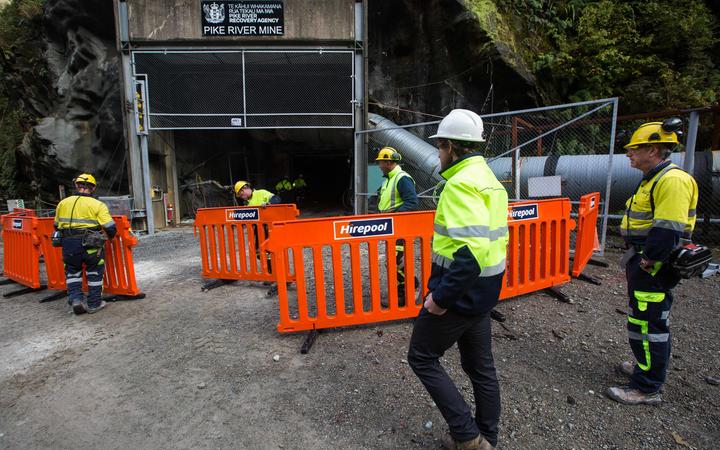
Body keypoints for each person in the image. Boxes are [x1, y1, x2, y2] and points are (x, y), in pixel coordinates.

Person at [407, 109, 507, 450]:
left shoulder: (461, 184)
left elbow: (471, 254)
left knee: (421, 356)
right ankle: (487, 438)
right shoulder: (489, 179)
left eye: (439, 147)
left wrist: (440, 299)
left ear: (450, 146)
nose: (437, 154)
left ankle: (468, 437)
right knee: (480, 368)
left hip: (459, 296)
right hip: (483, 295)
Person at [607, 119, 698, 405]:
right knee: (641, 319)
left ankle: (647, 387)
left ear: (654, 149)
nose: (629, 154)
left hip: (654, 265)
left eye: (635, 149)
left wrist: (649, 259)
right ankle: (644, 368)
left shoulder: (671, 180)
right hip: (645, 260)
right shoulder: (653, 178)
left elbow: (668, 228)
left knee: (649, 324)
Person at [54, 173, 117, 315]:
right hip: (91, 244)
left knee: (72, 273)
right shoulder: (98, 205)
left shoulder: (62, 203)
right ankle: (94, 304)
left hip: (69, 245)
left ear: (77, 185)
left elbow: (56, 225)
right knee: (94, 273)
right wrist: (110, 238)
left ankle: (76, 300)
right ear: (93, 188)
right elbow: (110, 227)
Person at [375, 147, 418, 306]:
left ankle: (407, 292)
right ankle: (406, 290)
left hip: (400, 226)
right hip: (391, 226)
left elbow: (412, 202)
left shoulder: (401, 178)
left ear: (388, 162)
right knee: (394, 260)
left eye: (381, 162)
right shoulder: (389, 178)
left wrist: (395, 215)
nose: (379, 165)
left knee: (397, 261)